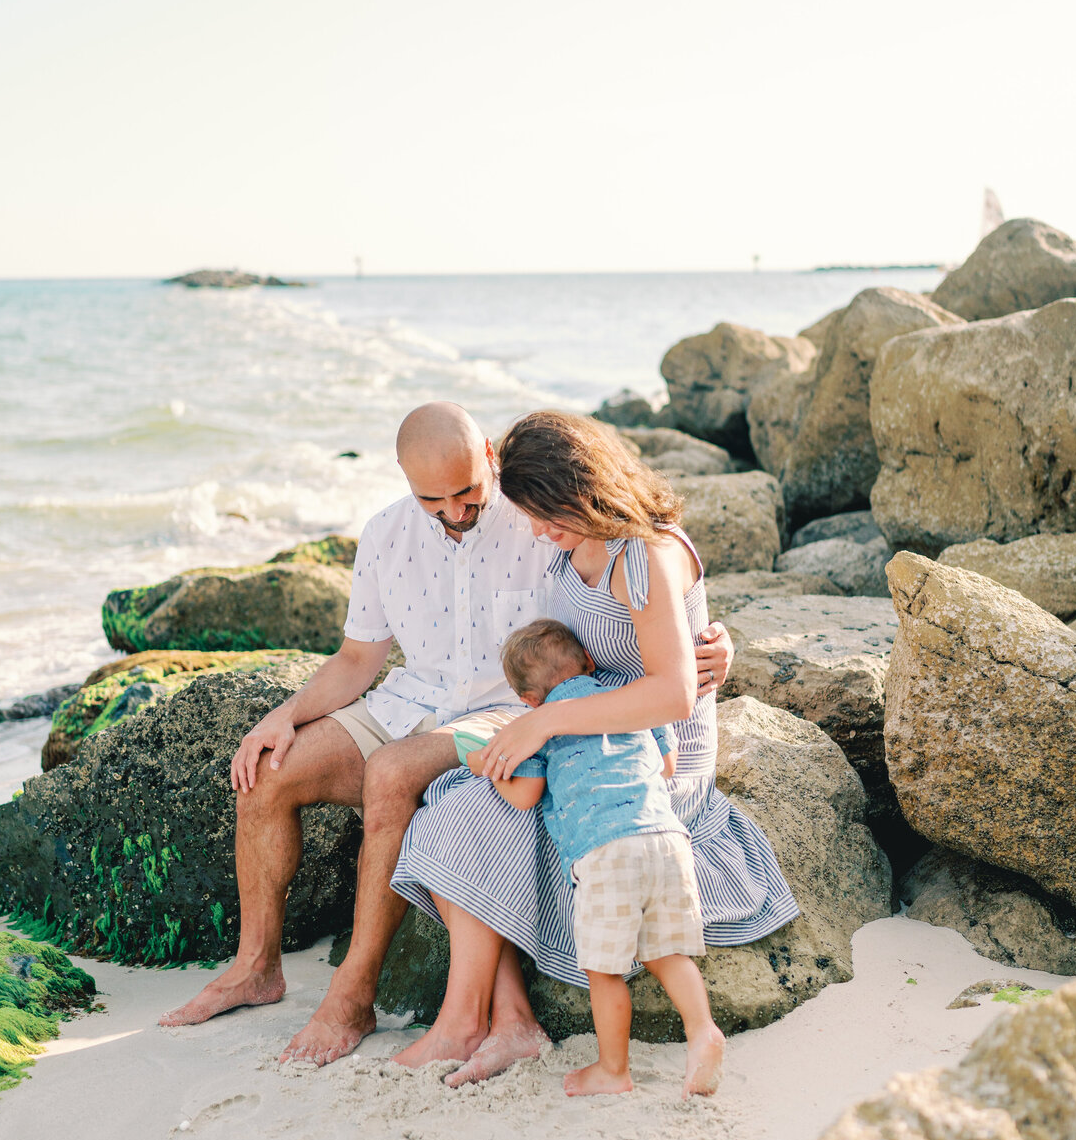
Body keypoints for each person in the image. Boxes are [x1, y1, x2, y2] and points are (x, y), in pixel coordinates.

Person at [160, 398, 740, 1068]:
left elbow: (636, 623)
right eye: (434, 499)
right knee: (266, 773)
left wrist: (718, 651)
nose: (456, 512)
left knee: (399, 777)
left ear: (490, 458)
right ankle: (255, 968)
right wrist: (283, 716)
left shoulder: (540, 521)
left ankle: (354, 995)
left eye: (467, 493)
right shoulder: (389, 535)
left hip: (507, 711)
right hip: (412, 702)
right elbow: (357, 660)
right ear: (405, 480)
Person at [391, 408, 798, 1085]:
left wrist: (542, 725)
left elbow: (671, 693)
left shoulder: (648, 553)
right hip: (589, 732)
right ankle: (487, 1020)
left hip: (652, 758)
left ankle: (473, 1022)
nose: (539, 532)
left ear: (585, 489)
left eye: (549, 514)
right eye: (532, 515)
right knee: (455, 798)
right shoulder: (567, 543)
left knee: (495, 808)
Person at [469, 617, 724, 1100]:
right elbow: (668, 765)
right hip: (667, 838)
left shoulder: (537, 726)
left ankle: (613, 1069)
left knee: (606, 971)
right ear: (588, 661)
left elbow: (524, 796)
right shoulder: (629, 697)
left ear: (527, 700)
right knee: (668, 954)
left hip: (605, 851)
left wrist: (486, 767)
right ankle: (702, 1029)